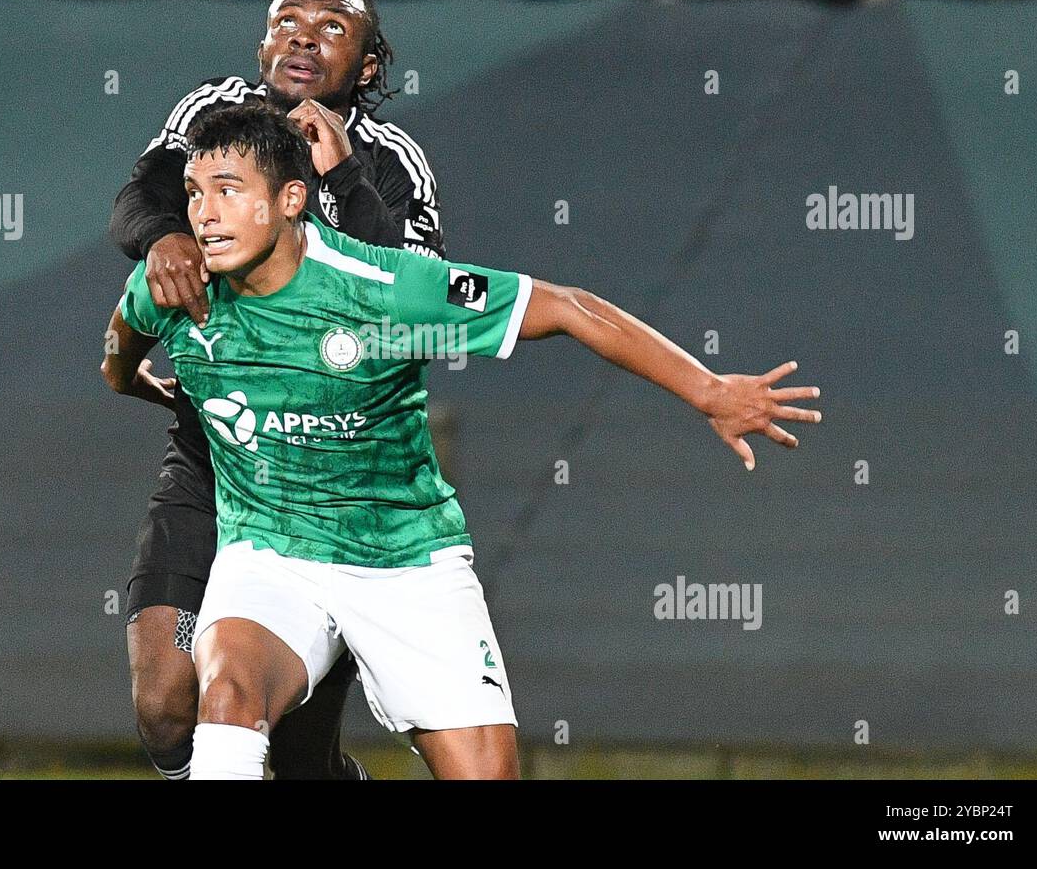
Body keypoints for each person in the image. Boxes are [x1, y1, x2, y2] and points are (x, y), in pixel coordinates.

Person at [102, 103, 824, 779]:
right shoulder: (176, 283)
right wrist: (127, 375)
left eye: (227, 190)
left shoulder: (385, 288)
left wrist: (710, 392)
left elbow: (568, 308)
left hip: (404, 560)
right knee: (225, 698)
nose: (203, 213)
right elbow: (121, 338)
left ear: (292, 199)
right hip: (271, 554)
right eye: (194, 193)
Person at [108, 0, 444, 780]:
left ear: (367, 67)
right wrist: (164, 238)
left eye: (332, 27)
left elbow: (417, 309)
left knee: (294, 758)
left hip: (331, 479)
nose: (303, 34)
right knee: (164, 707)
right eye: (287, 20)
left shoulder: (392, 160)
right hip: (214, 450)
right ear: (262, 41)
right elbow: (139, 203)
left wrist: (340, 176)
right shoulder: (210, 115)